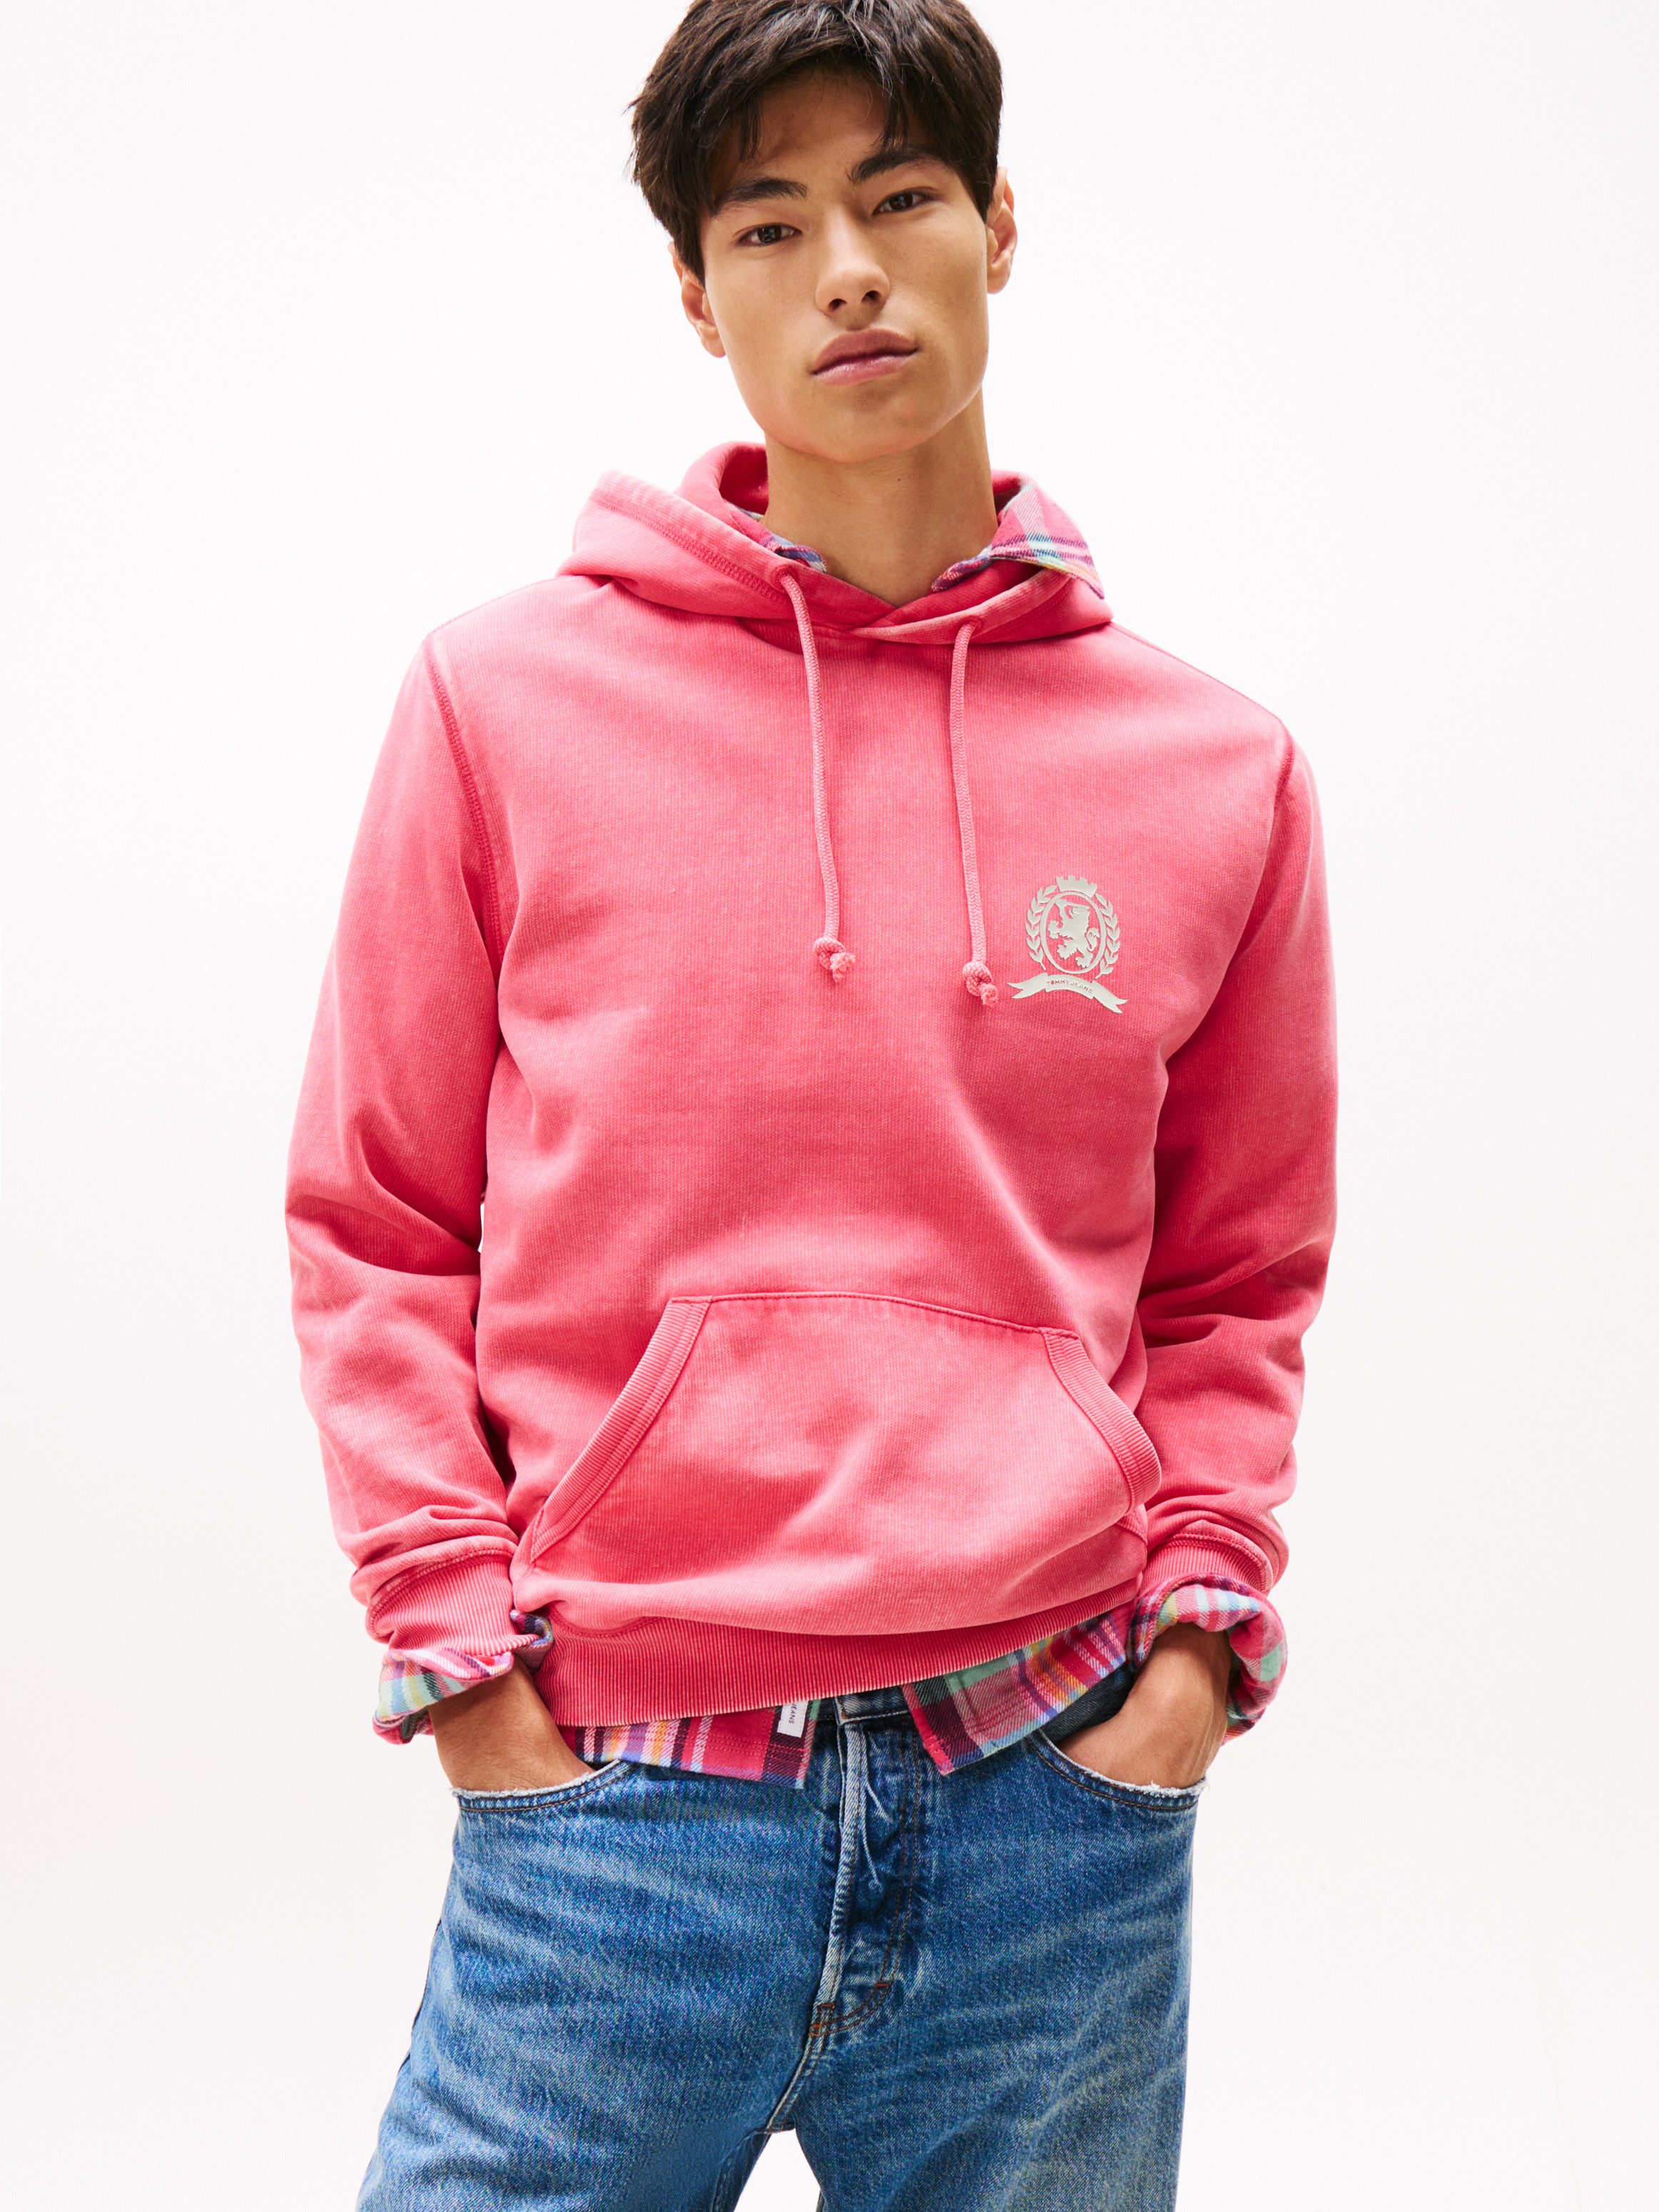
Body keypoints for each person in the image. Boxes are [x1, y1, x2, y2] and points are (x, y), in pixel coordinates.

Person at [285, 2, 1336, 2204]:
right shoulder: (501, 703)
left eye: (899, 198)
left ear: (997, 226)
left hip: (1050, 1796)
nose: (845, 268)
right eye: (770, 226)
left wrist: (1192, 1649)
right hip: (615, 1807)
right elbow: (375, 1219)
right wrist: (463, 1665)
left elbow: (1241, 1273)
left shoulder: (1215, 770)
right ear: (700, 293)